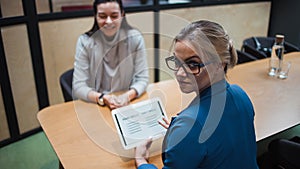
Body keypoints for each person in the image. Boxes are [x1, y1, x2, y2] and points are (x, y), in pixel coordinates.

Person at [135, 20, 259, 169]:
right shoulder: (240, 94)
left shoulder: (190, 125)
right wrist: (180, 131)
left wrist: (141, 161)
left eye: (193, 64)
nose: (179, 73)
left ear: (221, 64)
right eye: (177, 61)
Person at [73, 0, 149, 109]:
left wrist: (127, 96)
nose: (108, 21)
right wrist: (102, 98)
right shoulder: (85, 42)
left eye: (114, 16)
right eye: (102, 16)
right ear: (95, 16)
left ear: (122, 14)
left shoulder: (134, 38)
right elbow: (78, 87)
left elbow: (143, 79)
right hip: (97, 104)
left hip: (126, 102)